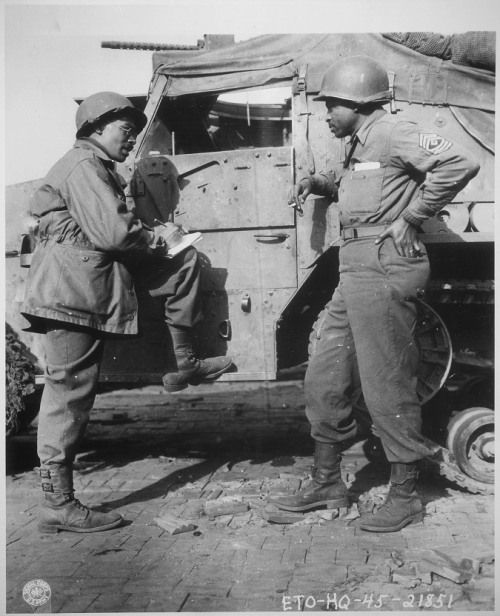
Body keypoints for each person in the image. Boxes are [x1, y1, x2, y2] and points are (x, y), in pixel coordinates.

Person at [273, 56, 480, 532]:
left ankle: (405, 495)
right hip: (354, 268)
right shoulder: (360, 144)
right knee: (324, 379)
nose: (325, 114)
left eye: (331, 106)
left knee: (386, 384)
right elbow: (365, 183)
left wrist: (412, 216)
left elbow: (459, 161)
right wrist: (316, 183)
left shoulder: (394, 131)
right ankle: (327, 481)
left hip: (386, 266)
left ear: (357, 102)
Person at [20, 92, 233, 534]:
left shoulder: (92, 166)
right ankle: (57, 503)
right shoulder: (83, 166)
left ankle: (183, 362)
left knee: (181, 266)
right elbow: (115, 232)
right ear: (96, 129)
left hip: (78, 287)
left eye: (135, 131)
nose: (132, 138)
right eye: (124, 129)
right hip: (69, 293)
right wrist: (160, 239)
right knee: (68, 393)